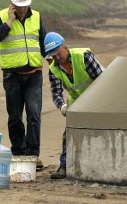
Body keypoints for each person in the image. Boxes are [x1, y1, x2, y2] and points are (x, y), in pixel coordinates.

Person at [0, 0, 46, 169]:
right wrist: (9, 23)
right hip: (12, 76)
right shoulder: (1, 17)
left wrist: (53, 60)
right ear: (11, 4)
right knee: (14, 116)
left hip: (34, 74)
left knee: (34, 114)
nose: (22, 9)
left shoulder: (36, 17)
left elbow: (44, 43)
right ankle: (19, 152)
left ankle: (33, 154)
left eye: (24, 5)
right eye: (18, 6)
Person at [44, 31, 103, 179]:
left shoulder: (83, 57)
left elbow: (102, 81)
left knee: (100, 132)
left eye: (59, 53)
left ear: (65, 47)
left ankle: (100, 166)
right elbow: (56, 93)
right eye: (54, 56)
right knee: (68, 134)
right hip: (77, 102)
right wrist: (63, 106)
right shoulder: (53, 70)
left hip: (99, 99)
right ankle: (64, 166)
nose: (57, 58)